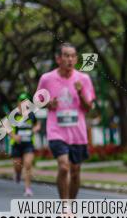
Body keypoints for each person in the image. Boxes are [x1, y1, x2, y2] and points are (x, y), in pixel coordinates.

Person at [35, 43, 95, 202]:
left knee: (75, 171)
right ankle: (64, 206)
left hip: (77, 133)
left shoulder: (84, 79)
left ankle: (71, 203)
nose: (70, 59)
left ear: (76, 59)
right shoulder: (46, 79)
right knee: (63, 166)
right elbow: (38, 101)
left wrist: (81, 92)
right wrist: (49, 104)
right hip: (56, 131)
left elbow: (88, 107)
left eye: (73, 56)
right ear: (58, 59)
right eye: (66, 55)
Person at [10, 92, 41, 196]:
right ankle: (18, 174)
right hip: (17, 144)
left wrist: (35, 129)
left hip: (28, 143)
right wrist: (14, 136)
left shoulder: (31, 115)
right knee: (18, 166)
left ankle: (28, 189)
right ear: (18, 103)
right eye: (21, 101)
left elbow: (38, 125)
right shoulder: (14, 115)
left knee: (28, 164)